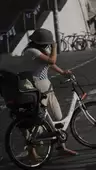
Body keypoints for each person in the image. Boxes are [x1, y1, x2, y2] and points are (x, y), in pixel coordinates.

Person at [21, 28, 78, 157]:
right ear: (42, 43)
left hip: (46, 87)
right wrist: (55, 46)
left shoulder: (39, 51)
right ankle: (34, 149)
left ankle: (61, 146)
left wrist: (62, 72)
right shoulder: (31, 51)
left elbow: (50, 64)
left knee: (57, 117)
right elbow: (52, 61)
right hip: (38, 88)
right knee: (40, 120)